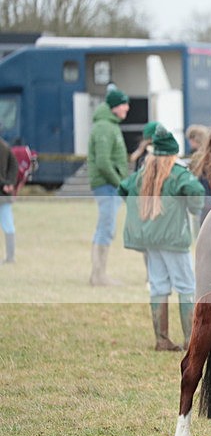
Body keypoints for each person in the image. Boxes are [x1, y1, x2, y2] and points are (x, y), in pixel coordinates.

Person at [119, 126, 205, 351]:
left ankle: (161, 339)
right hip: (174, 239)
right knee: (186, 286)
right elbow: (196, 192)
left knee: (158, 285)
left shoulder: (143, 172)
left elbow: (123, 188)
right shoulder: (177, 172)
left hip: (150, 239)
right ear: (172, 153)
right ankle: (190, 339)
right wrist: (194, 209)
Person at [87, 86, 130, 286]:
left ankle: (98, 274)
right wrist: (119, 183)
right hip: (107, 185)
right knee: (106, 228)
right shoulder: (104, 126)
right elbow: (103, 162)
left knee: (106, 227)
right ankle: (99, 276)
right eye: (124, 104)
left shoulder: (109, 124)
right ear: (114, 106)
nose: (127, 108)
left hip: (109, 184)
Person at [0, 137, 18, 265]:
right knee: (8, 225)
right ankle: (10, 257)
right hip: (5, 194)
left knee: (8, 224)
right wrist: (10, 183)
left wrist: (4, 184)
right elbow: (14, 166)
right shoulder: (5, 147)